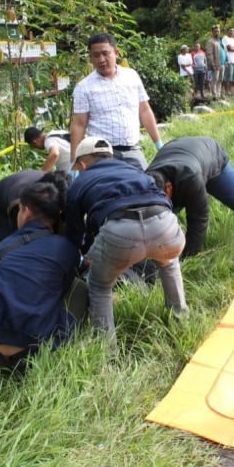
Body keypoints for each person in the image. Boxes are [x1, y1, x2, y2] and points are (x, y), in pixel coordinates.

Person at [65, 137, 187, 338]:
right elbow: (163, 199)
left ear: (83, 162)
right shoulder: (133, 170)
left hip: (120, 233)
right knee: (169, 262)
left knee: (99, 285)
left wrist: (84, 257)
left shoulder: (81, 182)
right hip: (165, 224)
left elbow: (74, 233)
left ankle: (107, 351)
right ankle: (181, 321)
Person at [0, 175, 82, 380]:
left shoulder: (8, 244)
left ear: (25, 210)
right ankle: (59, 346)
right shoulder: (67, 249)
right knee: (78, 287)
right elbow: (61, 289)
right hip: (30, 353)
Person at [69, 32, 165, 171]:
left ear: (116, 52)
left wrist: (158, 144)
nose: (101, 59)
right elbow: (79, 125)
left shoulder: (131, 76)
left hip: (133, 150)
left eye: (105, 53)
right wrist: (75, 161)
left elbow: (144, 110)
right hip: (101, 154)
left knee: (144, 185)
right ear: (91, 58)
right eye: (96, 55)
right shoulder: (84, 87)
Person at [0, 170, 47, 240]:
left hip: (24, 182)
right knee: (14, 242)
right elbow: (20, 234)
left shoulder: (54, 194)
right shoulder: (18, 207)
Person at [205, 25, 225, 99]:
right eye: (216, 31)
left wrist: (225, 61)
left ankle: (218, 94)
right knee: (215, 79)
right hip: (215, 63)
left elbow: (223, 51)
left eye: (218, 31)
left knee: (221, 79)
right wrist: (212, 63)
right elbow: (209, 54)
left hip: (222, 63)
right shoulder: (210, 41)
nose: (217, 32)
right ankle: (214, 95)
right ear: (212, 32)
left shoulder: (220, 40)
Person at [222, 27, 234, 97]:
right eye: (230, 31)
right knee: (228, 76)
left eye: (233, 31)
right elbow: (229, 48)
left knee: (233, 77)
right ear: (227, 31)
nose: (232, 32)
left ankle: (230, 91)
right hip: (229, 60)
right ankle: (226, 91)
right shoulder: (225, 38)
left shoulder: (233, 39)